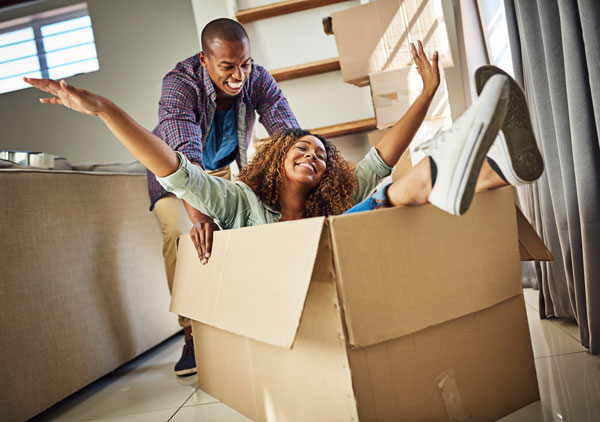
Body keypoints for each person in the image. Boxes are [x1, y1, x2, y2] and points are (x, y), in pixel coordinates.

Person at [148, 18, 298, 375]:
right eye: (227, 67)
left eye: (244, 64)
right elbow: (185, 163)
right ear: (204, 59)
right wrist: (201, 218)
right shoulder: (178, 86)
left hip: (223, 171)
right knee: (182, 234)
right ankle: (192, 333)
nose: (238, 75)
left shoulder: (256, 78)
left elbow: (288, 136)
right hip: (174, 168)